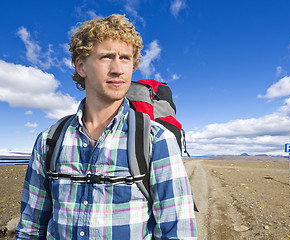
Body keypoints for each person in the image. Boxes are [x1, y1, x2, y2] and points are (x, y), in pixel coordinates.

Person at [16, 14, 197, 239]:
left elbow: (178, 232)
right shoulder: (50, 140)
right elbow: (31, 228)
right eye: (106, 57)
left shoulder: (155, 139)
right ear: (81, 66)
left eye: (125, 58)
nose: (118, 69)